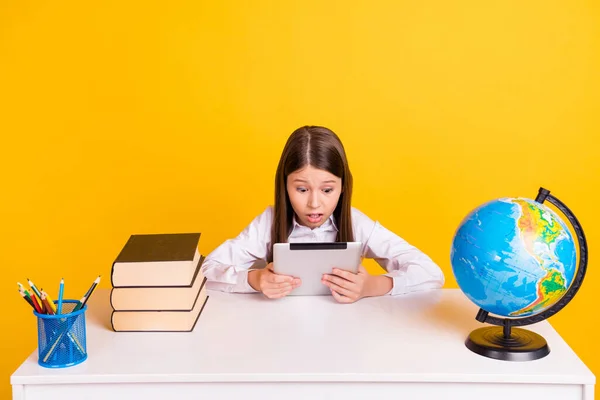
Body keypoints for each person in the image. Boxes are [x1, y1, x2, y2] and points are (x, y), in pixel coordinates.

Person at [201, 126, 444, 303]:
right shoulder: (269, 222)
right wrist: (254, 279)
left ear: (343, 186)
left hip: (345, 337)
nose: (314, 203)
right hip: (278, 335)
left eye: (327, 190)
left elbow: (431, 274)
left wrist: (373, 285)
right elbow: (205, 271)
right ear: (284, 186)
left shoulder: (355, 222)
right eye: (302, 189)